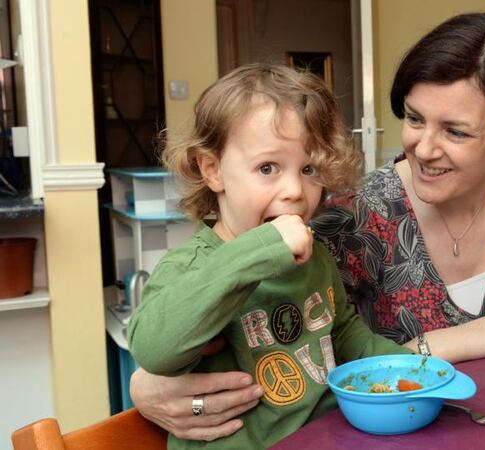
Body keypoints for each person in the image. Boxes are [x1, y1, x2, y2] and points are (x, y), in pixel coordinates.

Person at [130, 12, 485, 441]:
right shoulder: (350, 219)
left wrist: (416, 360)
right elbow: (163, 337)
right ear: (212, 170)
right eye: (414, 119)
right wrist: (145, 386)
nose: (425, 148)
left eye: (455, 131)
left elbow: (346, 331)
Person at [126, 63, 412, 449]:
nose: (295, 190)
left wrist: (404, 369)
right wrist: (260, 251)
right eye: (267, 168)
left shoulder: (316, 255)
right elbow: (154, 350)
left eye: (308, 168)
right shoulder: (193, 267)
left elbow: (342, 331)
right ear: (213, 170)